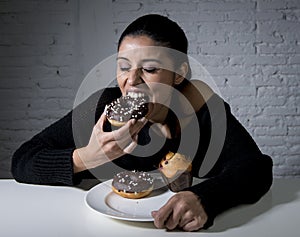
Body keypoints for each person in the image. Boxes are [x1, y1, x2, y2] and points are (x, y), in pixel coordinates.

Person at [11, 14, 273, 231]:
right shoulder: (103, 107)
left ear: (179, 74)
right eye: (124, 67)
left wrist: (205, 199)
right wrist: (87, 157)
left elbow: (257, 169)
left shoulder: (203, 110)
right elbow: (22, 160)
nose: (131, 80)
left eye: (149, 69)